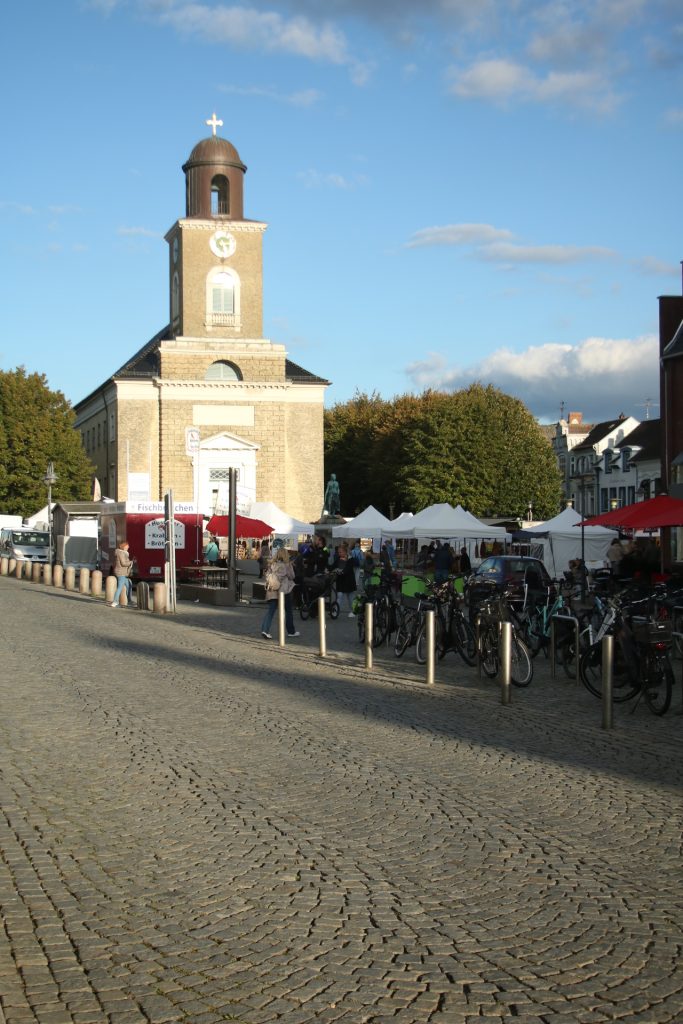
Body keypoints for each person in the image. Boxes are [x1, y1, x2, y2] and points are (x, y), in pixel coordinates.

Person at [261, 547, 300, 639]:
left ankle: (265, 630)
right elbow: (292, 576)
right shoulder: (287, 565)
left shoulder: (272, 564)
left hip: (272, 590)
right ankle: (291, 631)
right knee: (288, 611)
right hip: (284, 592)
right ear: (286, 555)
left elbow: (267, 575)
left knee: (271, 611)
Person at [333, 543, 357, 616]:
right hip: (341, 581)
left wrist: (342, 572)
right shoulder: (338, 559)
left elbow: (348, 569)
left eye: (340, 552)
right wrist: (328, 568)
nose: (339, 554)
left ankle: (353, 611)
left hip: (349, 581)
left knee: (351, 598)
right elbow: (333, 566)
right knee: (339, 596)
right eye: (338, 552)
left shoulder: (350, 559)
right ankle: (335, 611)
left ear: (345, 552)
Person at [111, 540, 134, 607]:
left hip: (122, 572)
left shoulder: (122, 553)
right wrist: (130, 562)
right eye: (127, 546)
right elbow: (123, 563)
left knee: (129, 585)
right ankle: (115, 602)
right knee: (120, 587)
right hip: (121, 573)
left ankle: (129, 601)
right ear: (123, 546)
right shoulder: (121, 553)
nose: (128, 547)